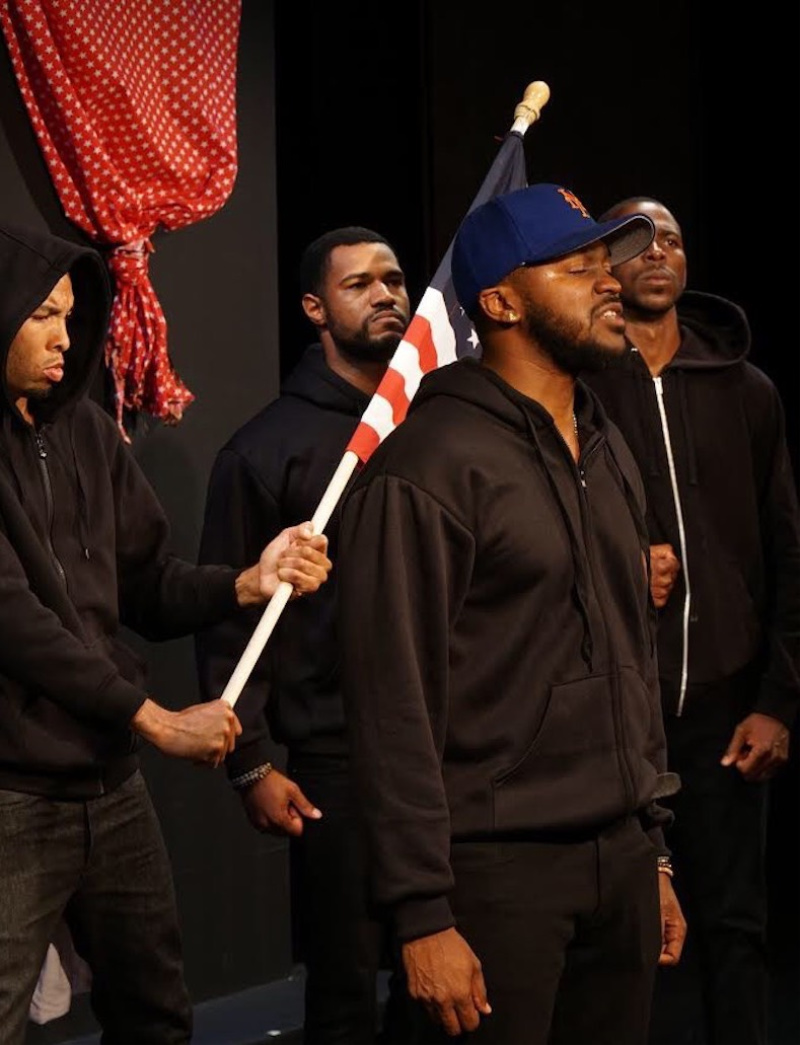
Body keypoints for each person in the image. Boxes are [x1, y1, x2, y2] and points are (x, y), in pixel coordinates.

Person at [336, 183, 687, 1044]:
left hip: (620, 859)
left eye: (607, 262)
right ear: (499, 302)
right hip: (493, 876)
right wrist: (421, 913)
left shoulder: (604, 445)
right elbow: (392, 704)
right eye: (577, 269)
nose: (612, 281)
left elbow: (632, 661)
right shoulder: (430, 467)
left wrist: (654, 845)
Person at [0, 220, 332, 1045]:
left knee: (156, 1012)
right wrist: (153, 718)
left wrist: (246, 582)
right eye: (43, 314)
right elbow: (18, 624)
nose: (63, 337)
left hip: (108, 782)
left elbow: (147, 582)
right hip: (12, 790)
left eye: (71, 317)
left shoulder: (82, 429)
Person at [582, 197, 800, 1045]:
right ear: (605, 264)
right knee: (621, 938)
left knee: (736, 929)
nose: (658, 251)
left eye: (671, 236)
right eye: (635, 239)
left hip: (725, 709)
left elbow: (787, 553)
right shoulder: (581, 385)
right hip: (613, 707)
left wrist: (779, 698)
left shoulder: (745, 390)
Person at [195, 226, 412, 1043]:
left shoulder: (432, 423)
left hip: (449, 738)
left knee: (450, 976)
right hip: (335, 754)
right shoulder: (262, 448)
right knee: (347, 985)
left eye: (393, 279)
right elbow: (228, 615)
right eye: (360, 283)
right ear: (315, 307)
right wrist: (250, 760)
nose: (385, 293)